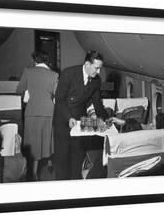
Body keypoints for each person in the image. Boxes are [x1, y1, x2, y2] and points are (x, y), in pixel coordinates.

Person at [53, 50, 108, 180]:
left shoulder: (96, 81)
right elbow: (59, 100)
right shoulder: (69, 74)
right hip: (63, 119)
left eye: (100, 68)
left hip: (80, 122)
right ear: (87, 64)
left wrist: (106, 120)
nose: (99, 72)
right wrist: (68, 117)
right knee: (63, 157)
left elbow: (97, 103)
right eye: (97, 68)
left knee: (77, 155)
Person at [16, 51, 58, 181]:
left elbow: (19, 90)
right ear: (47, 62)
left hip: (32, 111)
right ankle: (50, 162)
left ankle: (33, 173)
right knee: (47, 139)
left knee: (33, 143)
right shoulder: (54, 74)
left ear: (35, 61)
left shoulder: (28, 71)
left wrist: (29, 91)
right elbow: (56, 94)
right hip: (48, 111)